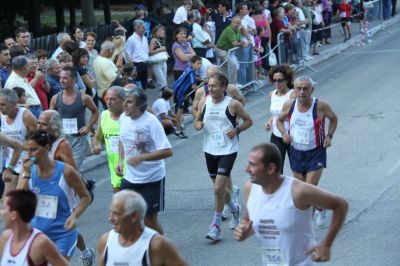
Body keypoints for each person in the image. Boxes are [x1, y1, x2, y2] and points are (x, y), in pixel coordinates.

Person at [234, 143, 348, 264]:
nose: (246, 169)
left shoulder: (298, 192)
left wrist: (326, 244)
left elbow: (340, 205)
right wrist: (244, 231)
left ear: (270, 168)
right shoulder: (250, 189)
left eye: (252, 164)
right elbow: (247, 220)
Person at [194, 73, 253, 241]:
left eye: (214, 86)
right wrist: (199, 125)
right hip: (209, 149)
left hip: (228, 149)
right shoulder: (204, 102)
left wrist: (237, 130)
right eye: (208, 86)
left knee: (218, 188)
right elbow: (197, 121)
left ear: (223, 87)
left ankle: (216, 226)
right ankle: (234, 208)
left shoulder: (233, 105)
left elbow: (249, 121)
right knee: (219, 189)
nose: (210, 89)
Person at [17, 130, 91, 261]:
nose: (29, 155)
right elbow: (18, 201)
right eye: (26, 150)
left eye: (33, 150)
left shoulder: (66, 172)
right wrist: (26, 174)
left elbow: (86, 197)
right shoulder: (27, 171)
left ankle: (86, 253)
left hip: (63, 234)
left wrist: (74, 216)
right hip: (38, 234)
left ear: (46, 148)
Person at [277, 75, 338, 226]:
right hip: (296, 152)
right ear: (295, 90)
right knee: (301, 189)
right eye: (299, 88)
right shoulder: (289, 105)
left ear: (312, 90)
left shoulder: (320, 106)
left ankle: (304, 227)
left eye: (305, 89)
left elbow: (334, 118)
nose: (302, 92)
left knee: (307, 189)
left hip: (315, 152)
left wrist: (329, 135)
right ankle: (320, 206)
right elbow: (279, 120)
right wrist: (284, 133)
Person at [37, 110, 96, 265]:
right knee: (60, 225)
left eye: (43, 124)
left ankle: (82, 252)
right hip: (44, 191)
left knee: (65, 224)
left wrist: (81, 186)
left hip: (62, 190)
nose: (39, 126)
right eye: (39, 122)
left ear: (54, 127)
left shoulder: (61, 144)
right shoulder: (38, 140)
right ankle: (85, 252)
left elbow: (71, 168)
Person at [116, 87, 173, 234]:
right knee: (123, 214)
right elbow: (122, 139)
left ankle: (162, 249)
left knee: (149, 220)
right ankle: (138, 246)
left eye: (129, 102)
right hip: (130, 178)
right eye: (124, 101)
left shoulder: (151, 122)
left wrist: (142, 157)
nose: (124, 105)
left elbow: (167, 151)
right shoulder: (123, 118)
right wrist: (120, 160)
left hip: (152, 179)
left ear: (140, 105)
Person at [97, 190, 187, 265]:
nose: (110, 219)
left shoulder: (157, 245)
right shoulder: (105, 241)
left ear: (133, 216)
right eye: (110, 212)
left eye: (117, 214)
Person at [49, 66, 99, 172]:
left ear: (74, 80)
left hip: (79, 139)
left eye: (65, 78)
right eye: (61, 78)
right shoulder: (55, 98)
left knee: (73, 169)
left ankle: (80, 185)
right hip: (62, 139)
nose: (62, 80)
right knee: (65, 170)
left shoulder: (84, 98)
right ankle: (85, 185)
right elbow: (50, 117)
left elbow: (95, 112)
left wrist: (88, 127)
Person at [0, 189, 69, 265]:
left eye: (4, 208)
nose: (1, 212)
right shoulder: (5, 238)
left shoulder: (40, 243)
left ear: (14, 215)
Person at [0, 89, 37, 197]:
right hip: (11, 163)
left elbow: (40, 140)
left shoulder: (25, 116)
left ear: (15, 103)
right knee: (8, 200)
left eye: (3, 104)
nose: (0, 107)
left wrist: (27, 145)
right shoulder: (1, 116)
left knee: (23, 198)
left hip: (27, 162)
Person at [92, 86, 125, 192]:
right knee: (120, 201)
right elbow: (97, 137)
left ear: (123, 100)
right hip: (114, 167)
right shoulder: (104, 115)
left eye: (113, 99)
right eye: (107, 99)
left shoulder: (129, 117)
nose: (109, 102)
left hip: (131, 166)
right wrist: (96, 145)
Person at [264, 65, 296, 174]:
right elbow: (275, 114)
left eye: (280, 80)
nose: (277, 83)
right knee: (275, 169)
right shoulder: (272, 94)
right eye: (274, 80)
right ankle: (279, 190)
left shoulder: (293, 94)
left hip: (293, 136)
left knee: (297, 169)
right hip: (277, 135)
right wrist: (269, 121)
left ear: (287, 80)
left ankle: (300, 189)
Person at [172, 55, 202, 139]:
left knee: (180, 111)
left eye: (200, 64)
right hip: (180, 93)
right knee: (179, 111)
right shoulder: (192, 72)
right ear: (192, 63)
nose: (199, 65)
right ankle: (178, 130)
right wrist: (202, 87)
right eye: (198, 63)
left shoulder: (189, 69)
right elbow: (193, 86)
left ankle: (179, 127)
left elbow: (194, 78)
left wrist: (201, 80)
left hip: (178, 91)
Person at [215, 16, 244, 85]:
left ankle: (225, 84)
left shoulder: (238, 30)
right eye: (234, 22)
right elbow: (235, 43)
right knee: (233, 65)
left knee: (224, 68)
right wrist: (242, 43)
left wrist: (241, 42)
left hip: (227, 51)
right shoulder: (229, 30)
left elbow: (238, 40)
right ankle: (233, 84)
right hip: (221, 50)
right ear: (231, 22)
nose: (236, 24)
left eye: (238, 23)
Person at [93, 41, 119, 109]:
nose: (113, 53)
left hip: (101, 92)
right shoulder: (105, 62)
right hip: (107, 93)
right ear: (109, 51)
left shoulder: (97, 59)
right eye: (113, 51)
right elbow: (115, 79)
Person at [126, 20, 149, 90]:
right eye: (142, 27)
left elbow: (146, 51)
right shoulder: (131, 39)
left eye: (144, 27)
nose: (145, 29)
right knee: (137, 87)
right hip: (137, 65)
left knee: (144, 85)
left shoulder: (145, 38)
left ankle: (144, 100)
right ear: (136, 28)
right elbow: (127, 53)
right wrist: (133, 68)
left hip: (145, 64)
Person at [148, 25, 169, 92]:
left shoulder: (162, 39)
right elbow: (149, 52)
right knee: (163, 83)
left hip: (163, 62)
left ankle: (163, 98)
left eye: (163, 30)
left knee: (164, 81)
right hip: (157, 63)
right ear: (155, 32)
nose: (162, 32)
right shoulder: (154, 40)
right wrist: (160, 50)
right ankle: (163, 99)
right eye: (159, 30)